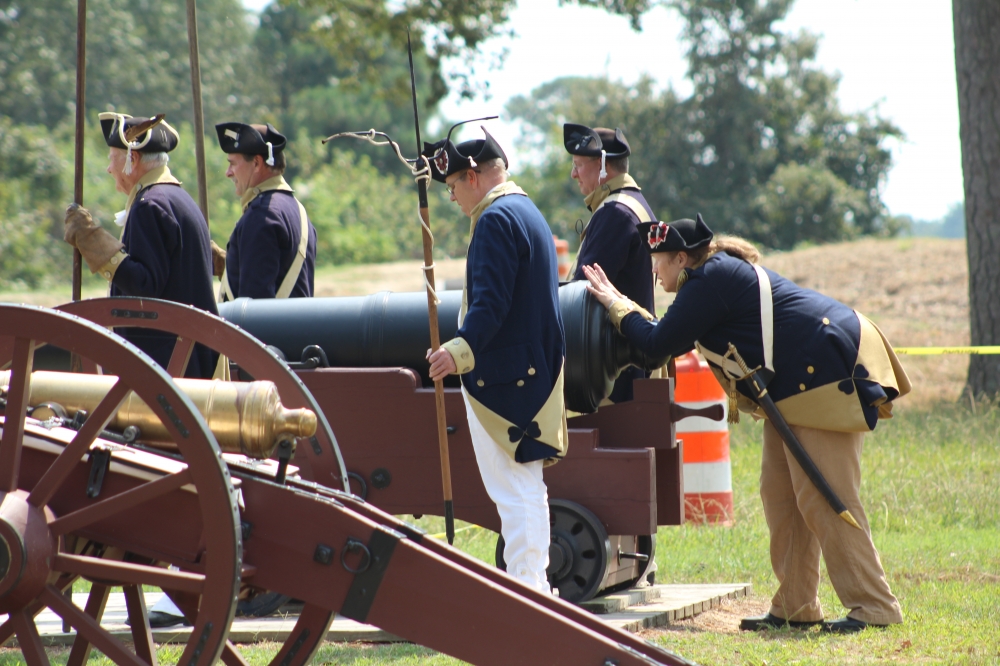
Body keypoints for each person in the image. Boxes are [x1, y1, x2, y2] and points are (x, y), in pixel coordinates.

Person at [582, 215, 910, 633]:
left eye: (659, 261)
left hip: (824, 377)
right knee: (781, 496)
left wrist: (617, 305)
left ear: (681, 258)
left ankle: (874, 607)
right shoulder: (706, 279)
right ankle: (795, 606)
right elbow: (669, 335)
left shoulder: (708, 282)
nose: (653, 270)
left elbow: (656, 346)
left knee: (827, 496)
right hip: (795, 389)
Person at [423, 127, 567, 594]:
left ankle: (529, 590)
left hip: (506, 377)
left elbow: (490, 306)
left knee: (513, 487)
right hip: (529, 372)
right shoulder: (525, 211)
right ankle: (533, 583)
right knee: (524, 485)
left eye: (452, 189)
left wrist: (456, 352)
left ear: (471, 176)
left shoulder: (494, 219)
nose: (454, 200)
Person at [63, 112, 218, 380]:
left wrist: (91, 241)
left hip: (167, 366)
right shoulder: (176, 197)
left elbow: (144, 285)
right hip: (187, 360)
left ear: (132, 159)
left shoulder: (150, 205)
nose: (109, 168)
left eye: (112, 159)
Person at [564, 123, 656, 402]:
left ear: (603, 166)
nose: (573, 173)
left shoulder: (615, 212)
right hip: (624, 364)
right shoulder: (630, 203)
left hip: (613, 376)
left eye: (579, 164)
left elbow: (580, 298)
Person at [213, 121, 317, 300]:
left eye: (233, 164)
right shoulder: (295, 208)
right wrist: (231, 265)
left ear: (256, 163)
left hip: (269, 329)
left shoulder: (262, 214)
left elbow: (253, 308)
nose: (228, 172)